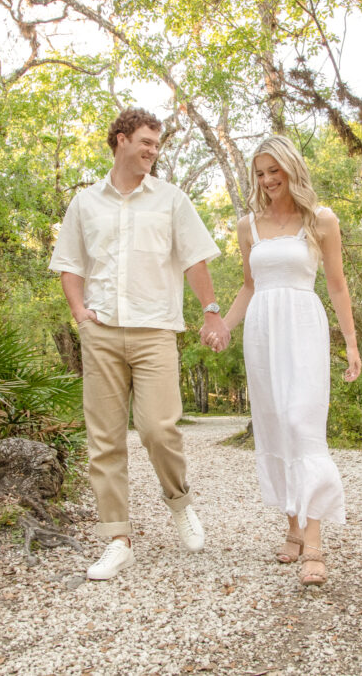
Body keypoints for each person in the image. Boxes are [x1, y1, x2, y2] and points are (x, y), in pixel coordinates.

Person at [48, 107, 230, 581]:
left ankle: (180, 503)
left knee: (157, 428)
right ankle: (117, 539)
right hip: (102, 331)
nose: (152, 150)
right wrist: (80, 314)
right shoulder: (86, 203)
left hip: (155, 331)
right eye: (145, 141)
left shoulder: (170, 200)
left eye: (157, 144)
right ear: (121, 140)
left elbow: (194, 261)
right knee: (104, 440)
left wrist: (211, 311)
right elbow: (70, 263)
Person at [212, 135, 361, 586]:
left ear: (291, 168)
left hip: (303, 326)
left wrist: (351, 343)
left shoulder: (321, 220)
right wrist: (225, 327)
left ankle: (314, 544)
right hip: (262, 332)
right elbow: (249, 285)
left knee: (302, 422)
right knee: (276, 423)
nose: (267, 180)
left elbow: (336, 285)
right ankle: (292, 526)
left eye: (274, 170)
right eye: (259, 173)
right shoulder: (248, 226)